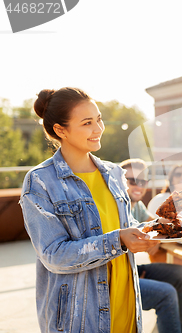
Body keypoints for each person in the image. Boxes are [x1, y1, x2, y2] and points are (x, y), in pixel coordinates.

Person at [20, 87, 160, 332]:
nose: (98, 129)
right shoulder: (40, 182)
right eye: (87, 123)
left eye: (99, 119)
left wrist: (161, 227)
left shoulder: (115, 173)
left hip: (125, 301)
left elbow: (122, 230)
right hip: (81, 317)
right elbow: (54, 255)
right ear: (60, 130)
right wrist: (119, 240)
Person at [119, 158, 182, 333]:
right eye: (132, 181)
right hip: (113, 277)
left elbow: (155, 225)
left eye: (143, 181)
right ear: (119, 181)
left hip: (131, 268)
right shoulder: (116, 206)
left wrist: (156, 237)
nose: (139, 186)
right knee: (167, 293)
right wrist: (150, 239)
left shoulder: (137, 206)